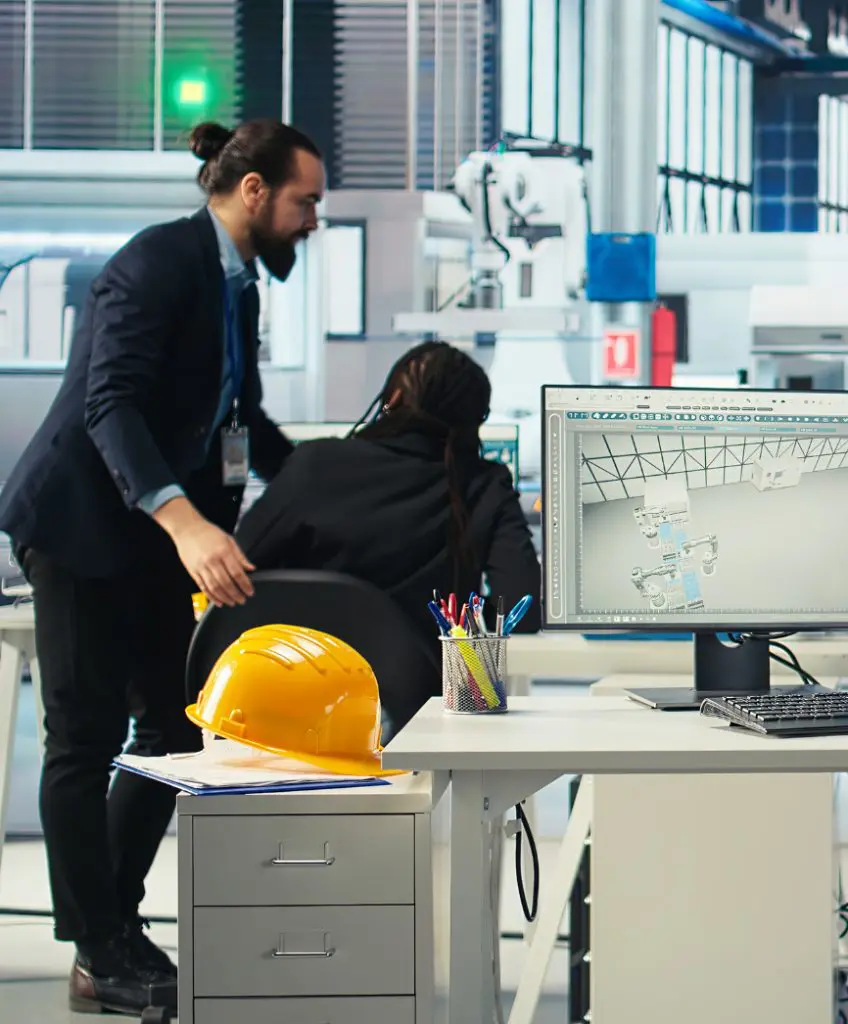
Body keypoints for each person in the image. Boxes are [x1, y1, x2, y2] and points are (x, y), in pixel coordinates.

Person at [0, 118, 325, 1015]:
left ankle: (108, 925)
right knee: (83, 736)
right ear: (253, 190)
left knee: (177, 732)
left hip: (147, 533)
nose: (313, 220)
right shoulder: (155, 262)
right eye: (306, 201)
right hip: (78, 525)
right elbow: (111, 405)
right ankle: (100, 944)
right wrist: (186, 525)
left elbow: (243, 420)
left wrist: (337, 484)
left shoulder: (238, 287)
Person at [235, 340, 542, 714]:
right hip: (422, 718)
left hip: (297, 705)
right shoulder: (484, 485)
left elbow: (237, 572)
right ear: (476, 420)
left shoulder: (317, 465)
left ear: (392, 399)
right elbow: (521, 609)